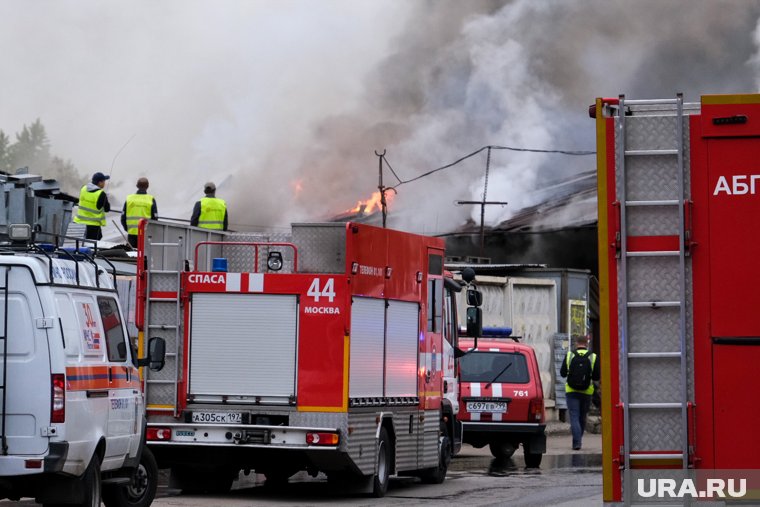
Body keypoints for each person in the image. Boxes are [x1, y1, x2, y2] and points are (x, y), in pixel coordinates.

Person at [560, 334, 600, 450]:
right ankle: (579, 440)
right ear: (587, 344)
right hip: (587, 391)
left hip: (571, 391)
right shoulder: (593, 356)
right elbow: (596, 376)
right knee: (582, 417)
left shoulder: (569, 355)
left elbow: (562, 373)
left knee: (574, 416)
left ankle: (576, 443)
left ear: (576, 343)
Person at [121, 177, 158, 248]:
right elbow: (155, 219)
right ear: (147, 186)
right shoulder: (151, 199)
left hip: (131, 234)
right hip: (145, 234)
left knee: (131, 255)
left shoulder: (129, 198)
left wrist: (128, 229)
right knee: (143, 256)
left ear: (137, 186)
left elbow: (123, 217)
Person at [73, 172, 111, 241]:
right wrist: (106, 198)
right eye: (104, 181)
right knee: (92, 248)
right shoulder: (101, 194)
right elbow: (107, 209)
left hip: (79, 224)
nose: (105, 183)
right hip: (93, 227)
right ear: (100, 183)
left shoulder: (83, 188)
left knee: (79, 247)